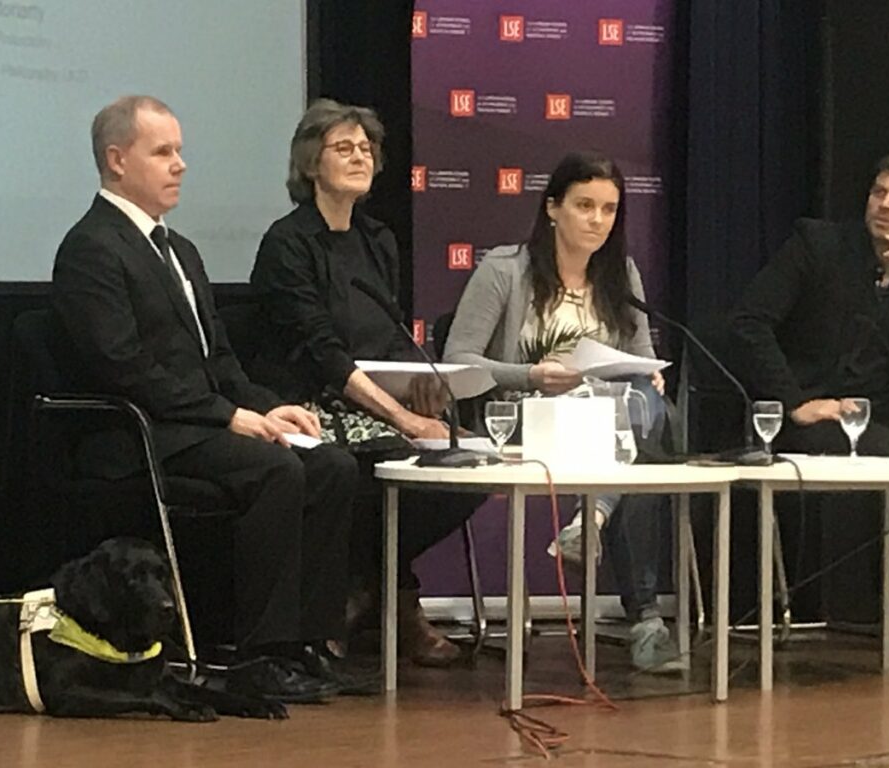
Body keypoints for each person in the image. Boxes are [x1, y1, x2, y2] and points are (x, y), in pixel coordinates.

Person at [52, 95, 361, 700]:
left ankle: (309, 642)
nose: (180, 165)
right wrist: (229, 416)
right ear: (116, 161)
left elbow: (218, 360)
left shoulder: (182, 250)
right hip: (137, 434)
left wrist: (266, 406)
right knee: (274, 469)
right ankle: (260, 655)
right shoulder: (92, 247)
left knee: (329, 463)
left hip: (194, 425)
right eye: (163, 152)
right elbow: (124, 368)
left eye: (180, 151)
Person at [249, 99, 480, 666]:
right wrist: (401, 416)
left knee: (467, 462)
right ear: (309, 164)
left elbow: (389, 331)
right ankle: (393, 602)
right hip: (306, 402)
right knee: (381, 461)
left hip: (373, 399)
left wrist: (422, 384)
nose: (360, 157)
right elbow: (322, 350)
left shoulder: (378, 240)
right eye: (343, 147)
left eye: (366, 148)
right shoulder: (288, 243)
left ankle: (365, 589)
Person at [442, 151, 680, 671]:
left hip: (607, 423)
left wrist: (651, 373)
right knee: (643, 436)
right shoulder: (505, 270)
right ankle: (645, 618)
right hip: (526, 419)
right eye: (584, 205)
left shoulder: (622, 276)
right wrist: (531, 375)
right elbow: (456, 362)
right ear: (553, 208)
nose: (598, 220)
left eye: (610, 209)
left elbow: (639, 360)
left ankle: (592, 520)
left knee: (644, 404)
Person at [730, 152, 889, 644]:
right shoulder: (818, 246)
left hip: (880, 418)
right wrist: (793, 400)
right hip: (807, 411)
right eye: (879, 192)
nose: (884, 204)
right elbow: (749, 323)